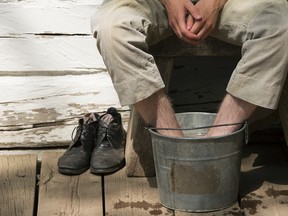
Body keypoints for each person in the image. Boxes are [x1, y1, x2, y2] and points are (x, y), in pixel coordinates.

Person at [91, 0, 288, 138]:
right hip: (150, 2)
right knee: (111, 29)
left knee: (282, 24)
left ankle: (219, 138)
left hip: (230, 3)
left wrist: (215, 2)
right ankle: (172, 142)